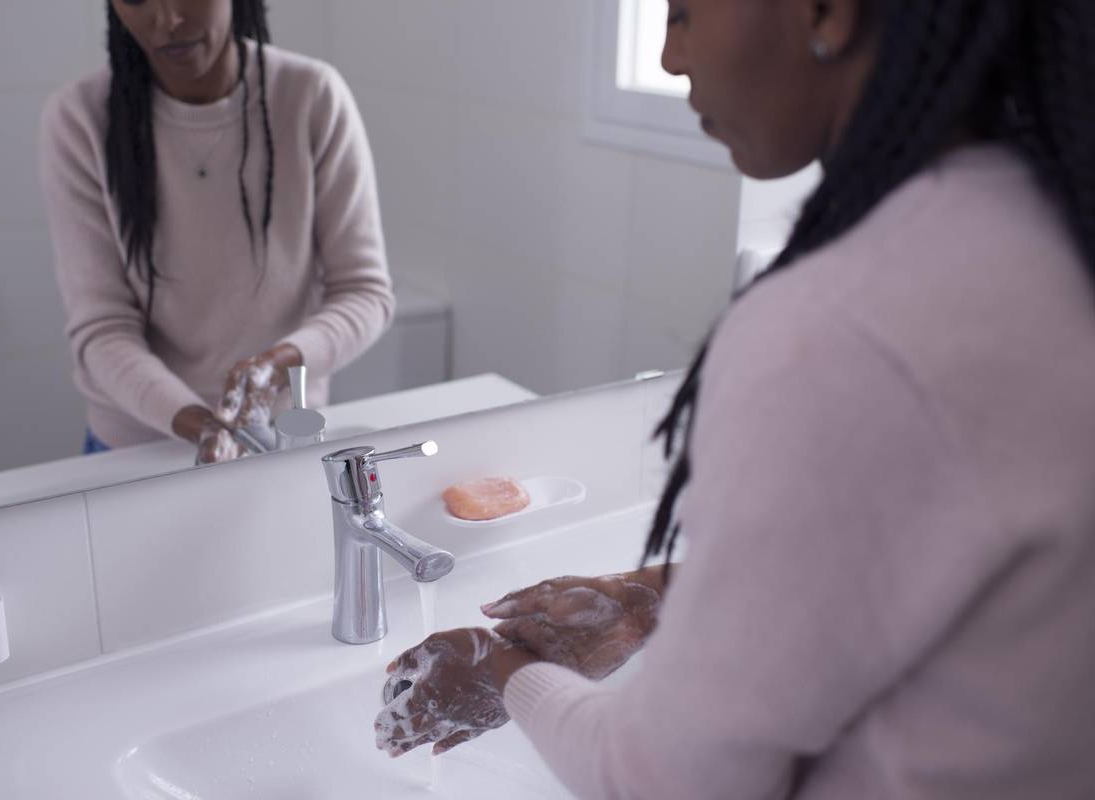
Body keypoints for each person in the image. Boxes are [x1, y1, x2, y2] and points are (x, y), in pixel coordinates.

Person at [374, 0, 1095, 797]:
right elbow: (951, 563)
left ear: (829, 12)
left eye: (683, 12)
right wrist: (658, 596)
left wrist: (497, 668)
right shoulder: (1046, 232)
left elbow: (664, 782)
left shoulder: (839, 326)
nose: (669, 58)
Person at [41, 0, 394, 464]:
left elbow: (365, 293)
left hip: (283, 438)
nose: (167, 21)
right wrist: (198, 422)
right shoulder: (80, 118)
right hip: (135, 446)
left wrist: (276, 366)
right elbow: (102, 328)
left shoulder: (309, 95)